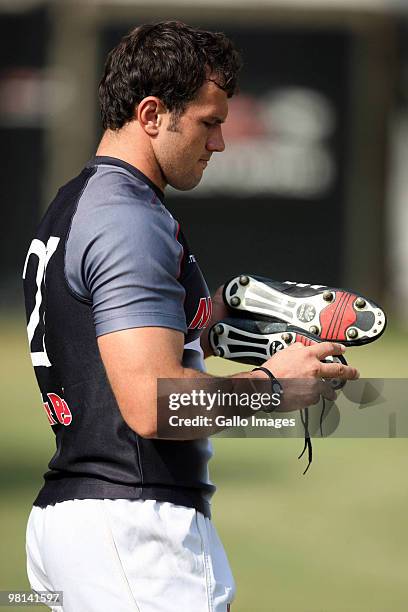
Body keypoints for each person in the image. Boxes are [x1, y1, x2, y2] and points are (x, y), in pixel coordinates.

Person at [22, 21, 359, 612]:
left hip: (84, 522)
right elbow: (153, 403)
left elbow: (103, 352)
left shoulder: (77, 204)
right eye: (210, 122)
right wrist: (274, 388)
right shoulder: (127, 219)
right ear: (152, 114)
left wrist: (212, 310)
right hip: (134, 534)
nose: (221, 143)